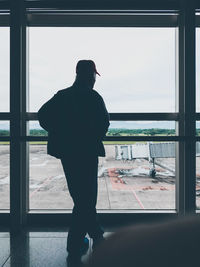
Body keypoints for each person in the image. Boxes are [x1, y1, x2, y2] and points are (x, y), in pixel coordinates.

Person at [38, 60, 110, 266]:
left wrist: (61, 132)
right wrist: (91, 136)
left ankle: (79, 241)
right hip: (87, 152)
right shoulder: (94, 97)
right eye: (94, 76)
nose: (95, 80)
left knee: (80, 197)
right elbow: (104, 123)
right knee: (87, 197)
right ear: (90, 76)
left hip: (69, 153)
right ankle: (94, 238)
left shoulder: (62, 96)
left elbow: (43, 116)